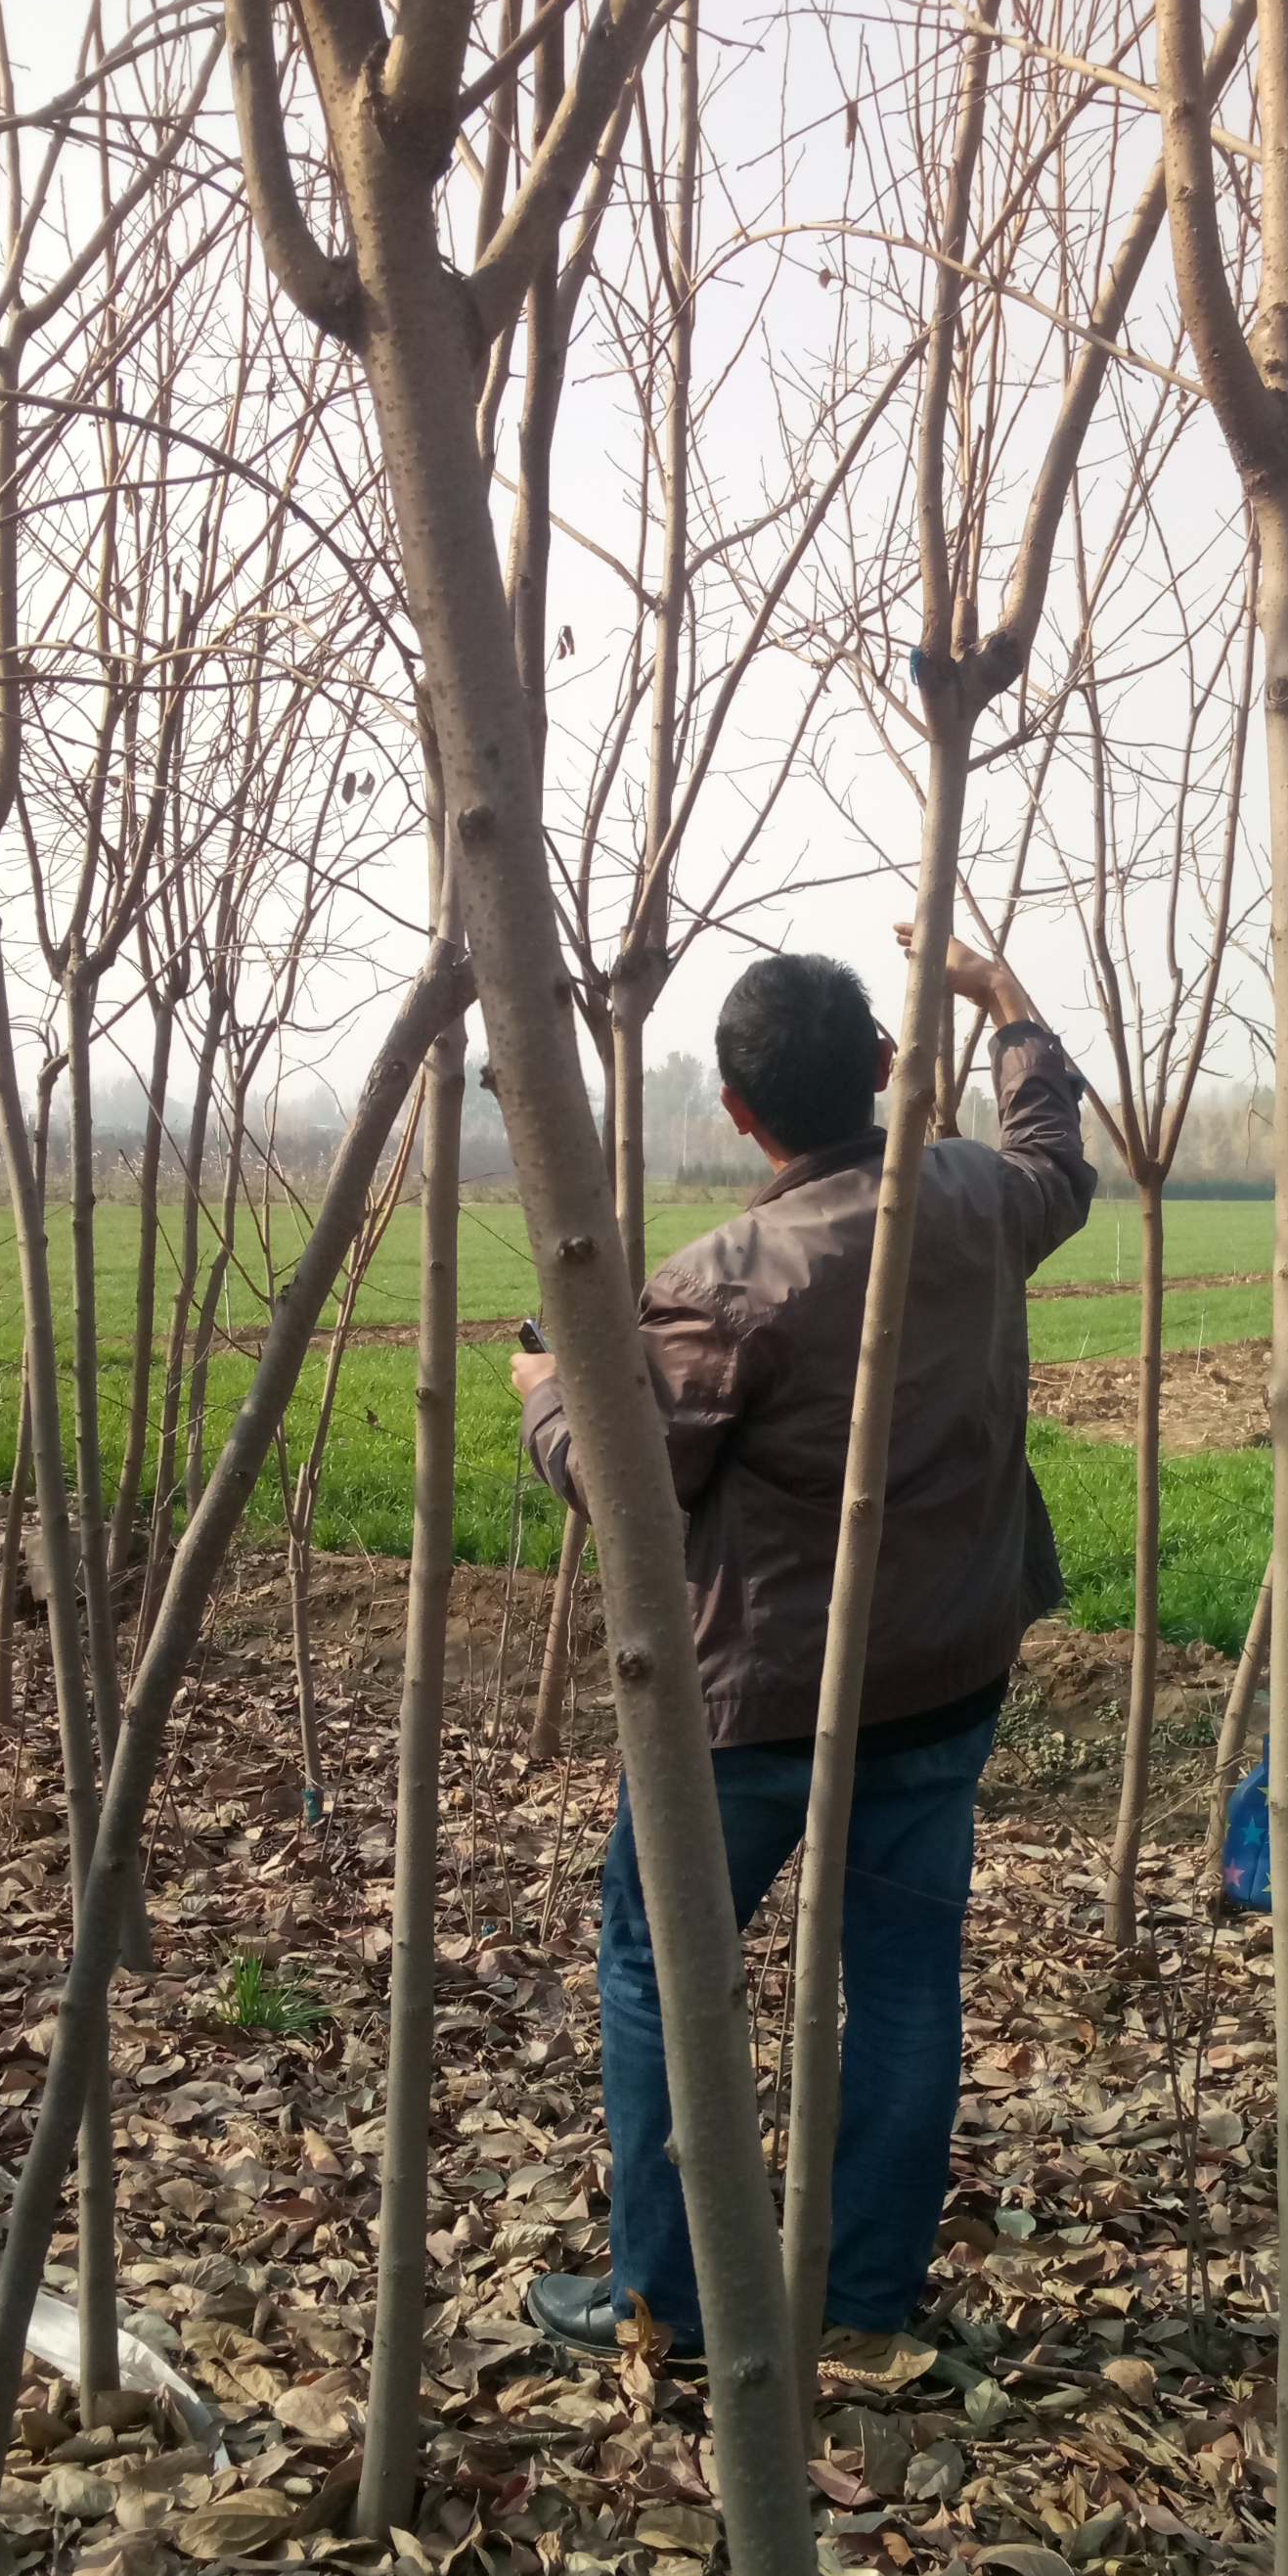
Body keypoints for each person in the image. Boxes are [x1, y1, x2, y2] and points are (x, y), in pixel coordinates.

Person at [509, 936, 1093, 2358]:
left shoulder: (723, 1280)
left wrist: (544, 1391)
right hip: (949, 1673)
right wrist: (1007, 1004)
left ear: (734, 1108)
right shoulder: (971, 1196)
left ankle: (669, 2290)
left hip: (762, 1705)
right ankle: (865, 2299)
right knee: (903, 1980)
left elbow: (632, 1489)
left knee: (663, 1970)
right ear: (887, 1069)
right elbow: (1055, 1154)